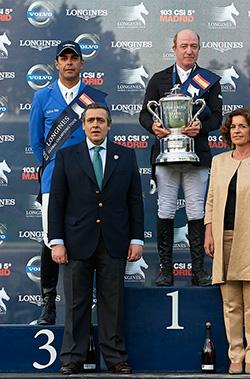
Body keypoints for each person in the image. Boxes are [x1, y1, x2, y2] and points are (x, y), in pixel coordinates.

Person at [48, 103, 144, 375]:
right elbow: (56, 201)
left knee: (112, 304)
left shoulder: (125, 156)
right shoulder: (67, 156)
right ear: (83, 125)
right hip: (76, 241)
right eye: (90, 120)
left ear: (109, 125)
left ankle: (115, 359)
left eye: (101, 120)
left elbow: (135, 201)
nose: (95, 125)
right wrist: (56, 240)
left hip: (114, 240)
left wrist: (136, 238)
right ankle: (72, 357)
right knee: (76, 302)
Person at [29, 40, 107, 325]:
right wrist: (58, 167)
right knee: (53, 239)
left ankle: (89, 304)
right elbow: (37, 143)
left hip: (88, 179)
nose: (70, 62)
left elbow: (100, 137)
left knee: (87, 239)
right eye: (64, 58)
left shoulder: (93, 97)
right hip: (53, 179)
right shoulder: (42, 97)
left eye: (75, 58)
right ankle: (48, 305)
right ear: (56, 64)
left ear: (82, 64)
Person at [139, 29, 222, 287]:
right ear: (174, 48)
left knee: (197, 210)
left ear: (199, 49)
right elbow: (144, 114)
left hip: (196, 154)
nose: (189, 50)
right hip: (166, 153)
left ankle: (199, 270)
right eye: (184, 45)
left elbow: (217, 118)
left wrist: (202, 128)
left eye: (194, 46)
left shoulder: (209, 81)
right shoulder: (159, 79)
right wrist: (154, 127)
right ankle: (166, 270)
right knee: (165, 209)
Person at [204, 108, 250, 374]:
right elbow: (211, 199)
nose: (236, 130)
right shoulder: (219, 161)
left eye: (242, 126)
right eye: (233, 126)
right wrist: (208, 231)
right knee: (231, 305)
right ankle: (235, 355)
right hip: (223, 238)